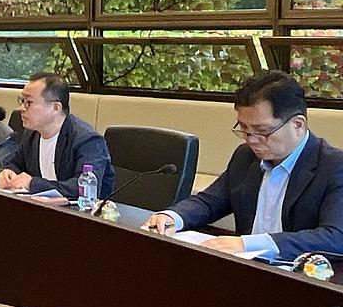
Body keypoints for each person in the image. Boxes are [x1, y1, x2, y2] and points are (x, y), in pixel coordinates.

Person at [144, 71, 343, 258]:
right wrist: (172, 217)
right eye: (244, 129)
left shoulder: (334, 166)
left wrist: (249, 244)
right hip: (244, 268)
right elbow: (210, 202)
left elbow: (335, 237)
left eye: (262, 131)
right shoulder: (245, 156)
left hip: (302, 275)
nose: (251, 140)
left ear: (298, 125)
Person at [0, 72, 115, 198]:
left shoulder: (88, 140)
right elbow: (15, 163)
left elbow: (84, 188)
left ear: (56, 107)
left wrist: (32, 184)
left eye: (29, 102)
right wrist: (8, 172)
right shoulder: (32, 134)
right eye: (22, 101)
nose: (21, 108)